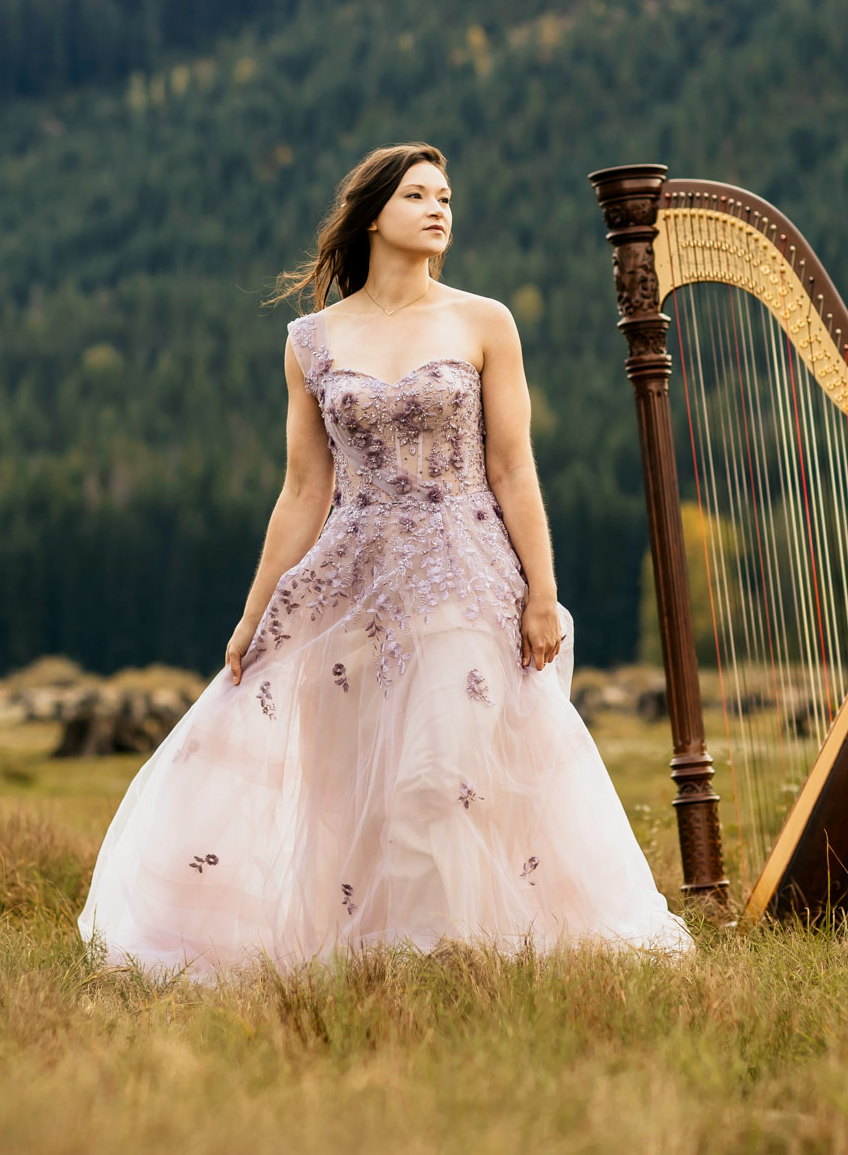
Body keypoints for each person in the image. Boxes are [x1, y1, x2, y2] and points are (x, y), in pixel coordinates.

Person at [78, 142, 693, 973]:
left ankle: (448, 964)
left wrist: (542, 592)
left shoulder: (485, 322)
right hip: (350, 584)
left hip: (466, 576)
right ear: (373, 214)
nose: (440, 207)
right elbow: (302, 491)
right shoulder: (311, 340)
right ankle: (376, 970)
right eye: (417, 194)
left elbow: (514, 467)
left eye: (446, 195)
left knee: (439, 780)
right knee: (352, 800)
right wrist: (256, 612)